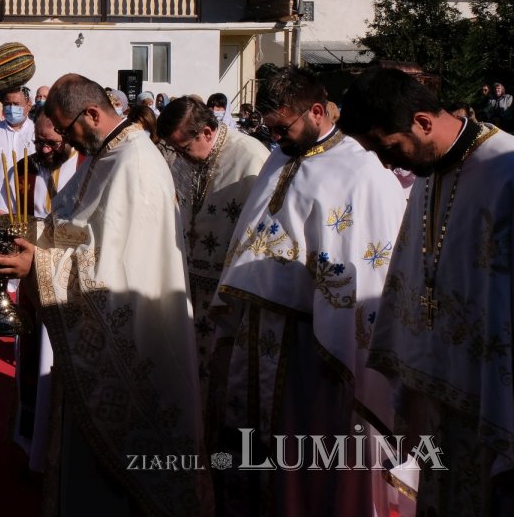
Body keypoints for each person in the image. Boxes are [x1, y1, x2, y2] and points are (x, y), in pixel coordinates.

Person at [0, 73, 212, 515]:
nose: (67, 140)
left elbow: (120, 266)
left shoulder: (136, 163)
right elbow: (78, 227)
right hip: (92, 335)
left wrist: (40, 265)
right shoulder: (106, 154)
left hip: (133, 341)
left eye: (68, 128)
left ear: (92, 114)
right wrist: (33, 236)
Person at [207, 67, 408, 516]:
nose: (277, 138)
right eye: (271, 129)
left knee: (310, 456)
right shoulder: (281, 156)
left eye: (285, 127)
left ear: (317, 110)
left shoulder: (361, 171)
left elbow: (370, 263)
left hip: (316, 345)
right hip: (262, 335)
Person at [339, 67, 514, 514]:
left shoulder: (506, 171)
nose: (385, 163)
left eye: (387, 147)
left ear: (422, 121)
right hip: (439, 400)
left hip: (490, 407)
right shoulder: (430, 172)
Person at [157, 97, 268, 405]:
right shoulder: (186, 157)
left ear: (206, 132)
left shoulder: (251, 158)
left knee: (224, 382)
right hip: (188, 290)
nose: (179, 157)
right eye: (173, 149)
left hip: (228, 297)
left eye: (183, 148)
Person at [0, 110, 79, 472]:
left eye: (51, 142)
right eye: (38, 141)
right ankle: (34, 445)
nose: (43, 149)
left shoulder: (89, 169)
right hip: (31, 282)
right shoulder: (22, 168)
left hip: (72, 284)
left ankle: (64, 446)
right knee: (32, 359)